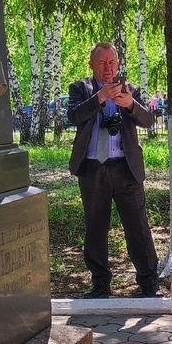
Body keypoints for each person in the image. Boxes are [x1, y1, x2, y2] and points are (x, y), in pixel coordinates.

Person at [66, 43, 160, 298]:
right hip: (93, 168)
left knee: (138, 226)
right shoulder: (80, 88)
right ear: (91, 65)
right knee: (95, 227)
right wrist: (100, 97)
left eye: (111, 62)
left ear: (117, 64)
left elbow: (148, 121)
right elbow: (73, 116)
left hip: (126, 168)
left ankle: (149, 283)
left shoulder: (132, 90)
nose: (107, 68)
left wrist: (130, 104)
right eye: (101, 63)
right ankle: (100, 284)